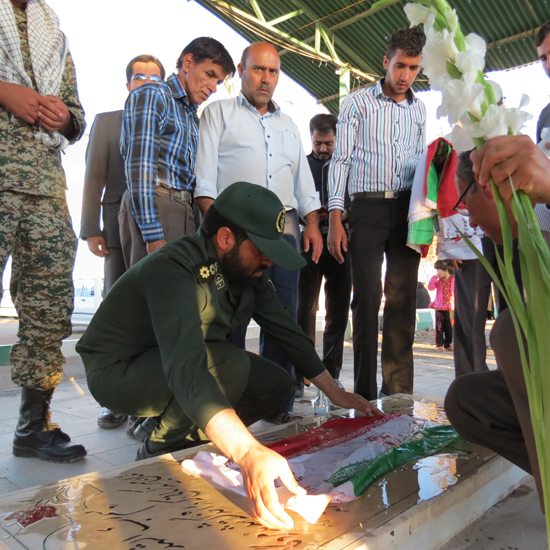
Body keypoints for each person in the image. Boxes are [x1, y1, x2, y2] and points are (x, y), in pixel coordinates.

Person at [76, 182, 382, 530]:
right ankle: (157, 452)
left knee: (275, 385)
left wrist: (334, 391)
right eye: (262, 249)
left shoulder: (245, 272)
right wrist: (247, 452)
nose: (269, 260)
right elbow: (188, 371)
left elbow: (287, 331)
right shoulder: (175, 269)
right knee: (229, 366)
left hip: (170, 362)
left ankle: (183, 429)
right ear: (225, 238)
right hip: (119, 372)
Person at [194, 42, 322, 423]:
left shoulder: (289, 125)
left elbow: (303, 183)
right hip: (233, 237)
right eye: (258, 70)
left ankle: (276, 403)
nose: (266, 79)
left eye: (273, 72)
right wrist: (219, 238)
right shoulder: (218, 114)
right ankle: (226, 406)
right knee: (226, 321)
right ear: (242, 69)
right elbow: (204, 183)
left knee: (282, 319)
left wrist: (312, 225)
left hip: (281, 238)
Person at [0, 0, 86, 462]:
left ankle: (33, 426)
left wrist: (65, 119)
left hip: (46, 187)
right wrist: (3, 91)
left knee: (49, 305)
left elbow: (77, 112)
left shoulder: (51, 30)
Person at [327, 27, 426, 400]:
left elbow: (421, 165)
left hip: (406, 210)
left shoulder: (419, 109)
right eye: (400, 66)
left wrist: (425, 218)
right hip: (365, 208)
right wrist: (336, 216)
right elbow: (341, 160)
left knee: (402, 301)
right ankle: (365, 396)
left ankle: (399, 396)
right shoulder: (357, 103)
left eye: (413, 68)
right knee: (366, 297)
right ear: (386, 62)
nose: (405, 76)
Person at [445, 141, 544, 504]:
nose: (469, 220)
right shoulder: (510, 248)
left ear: (485, 187)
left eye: (465, 205)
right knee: (466, 400)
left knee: (509, 336)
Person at [80, 54, 165, 430]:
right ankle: (112, 399)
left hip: (157, 233)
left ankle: (146, 398)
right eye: (138, 77)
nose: (146, 82)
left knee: (154, 316)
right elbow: (93, 178)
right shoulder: (108, 122)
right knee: (117, 316)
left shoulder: (169, 120)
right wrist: (90, 229)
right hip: (116, 234)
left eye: (154, 77)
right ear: (128, 84)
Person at [119, 37, 235, 268]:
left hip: (184, 210)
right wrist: (152, 234)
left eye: (218, 82)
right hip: (158, 206)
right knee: (153, 296)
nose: (213, 88)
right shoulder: (153, 95)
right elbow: (140, 168)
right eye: (210, 75)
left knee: (178, 297)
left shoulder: (191, 115)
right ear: (188, 62)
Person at [297, 114, 351, 388]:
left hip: (342, 244)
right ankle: (306, 371)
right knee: (304, 309)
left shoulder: (347, 166)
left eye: (328, 143)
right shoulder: (302, 166)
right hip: (308, 245)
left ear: (337, 139)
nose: (323, 149)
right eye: (318, 143)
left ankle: (332, 373)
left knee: (338, 312)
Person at [428, 260, 454, 352]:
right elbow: (430, 288)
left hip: (450, 307)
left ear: (446, 270)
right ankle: (439, 344)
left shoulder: (453, 279)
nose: (437, 272)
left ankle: (448, 343)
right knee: (439, 326)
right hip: (439, 306)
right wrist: (434, 278)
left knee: (449, 326)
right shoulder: (438, 280)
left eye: (439, 270)